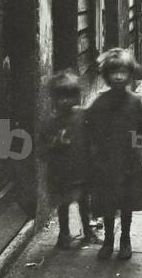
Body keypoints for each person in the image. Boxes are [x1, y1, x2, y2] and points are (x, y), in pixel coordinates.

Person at [85, 48, 142, 260]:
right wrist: (96, 155)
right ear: (106, 76)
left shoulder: (135, 103)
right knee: (108, 203)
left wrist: (137, 149)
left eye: (123, 72)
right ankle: (109, 240)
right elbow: (91, 130)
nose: (119, 76)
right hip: (106, 162)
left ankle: (126, 239)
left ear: (130, 74)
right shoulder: (100, 104)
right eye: (114, 72)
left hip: (129, 161)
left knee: (127, 202)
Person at [41, 70, 99, 248]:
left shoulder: (83, 116)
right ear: (54, 99)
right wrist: (54, 142)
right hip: (61, 171)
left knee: (84, 202)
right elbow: (42, 145)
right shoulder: (51, 121)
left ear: (76, 97)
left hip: (82, 168)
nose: (65, 101)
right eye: (61, 97)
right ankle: (64, 233)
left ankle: (88, 231)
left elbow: (91, 138)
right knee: (63, 204)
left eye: (69, 97)